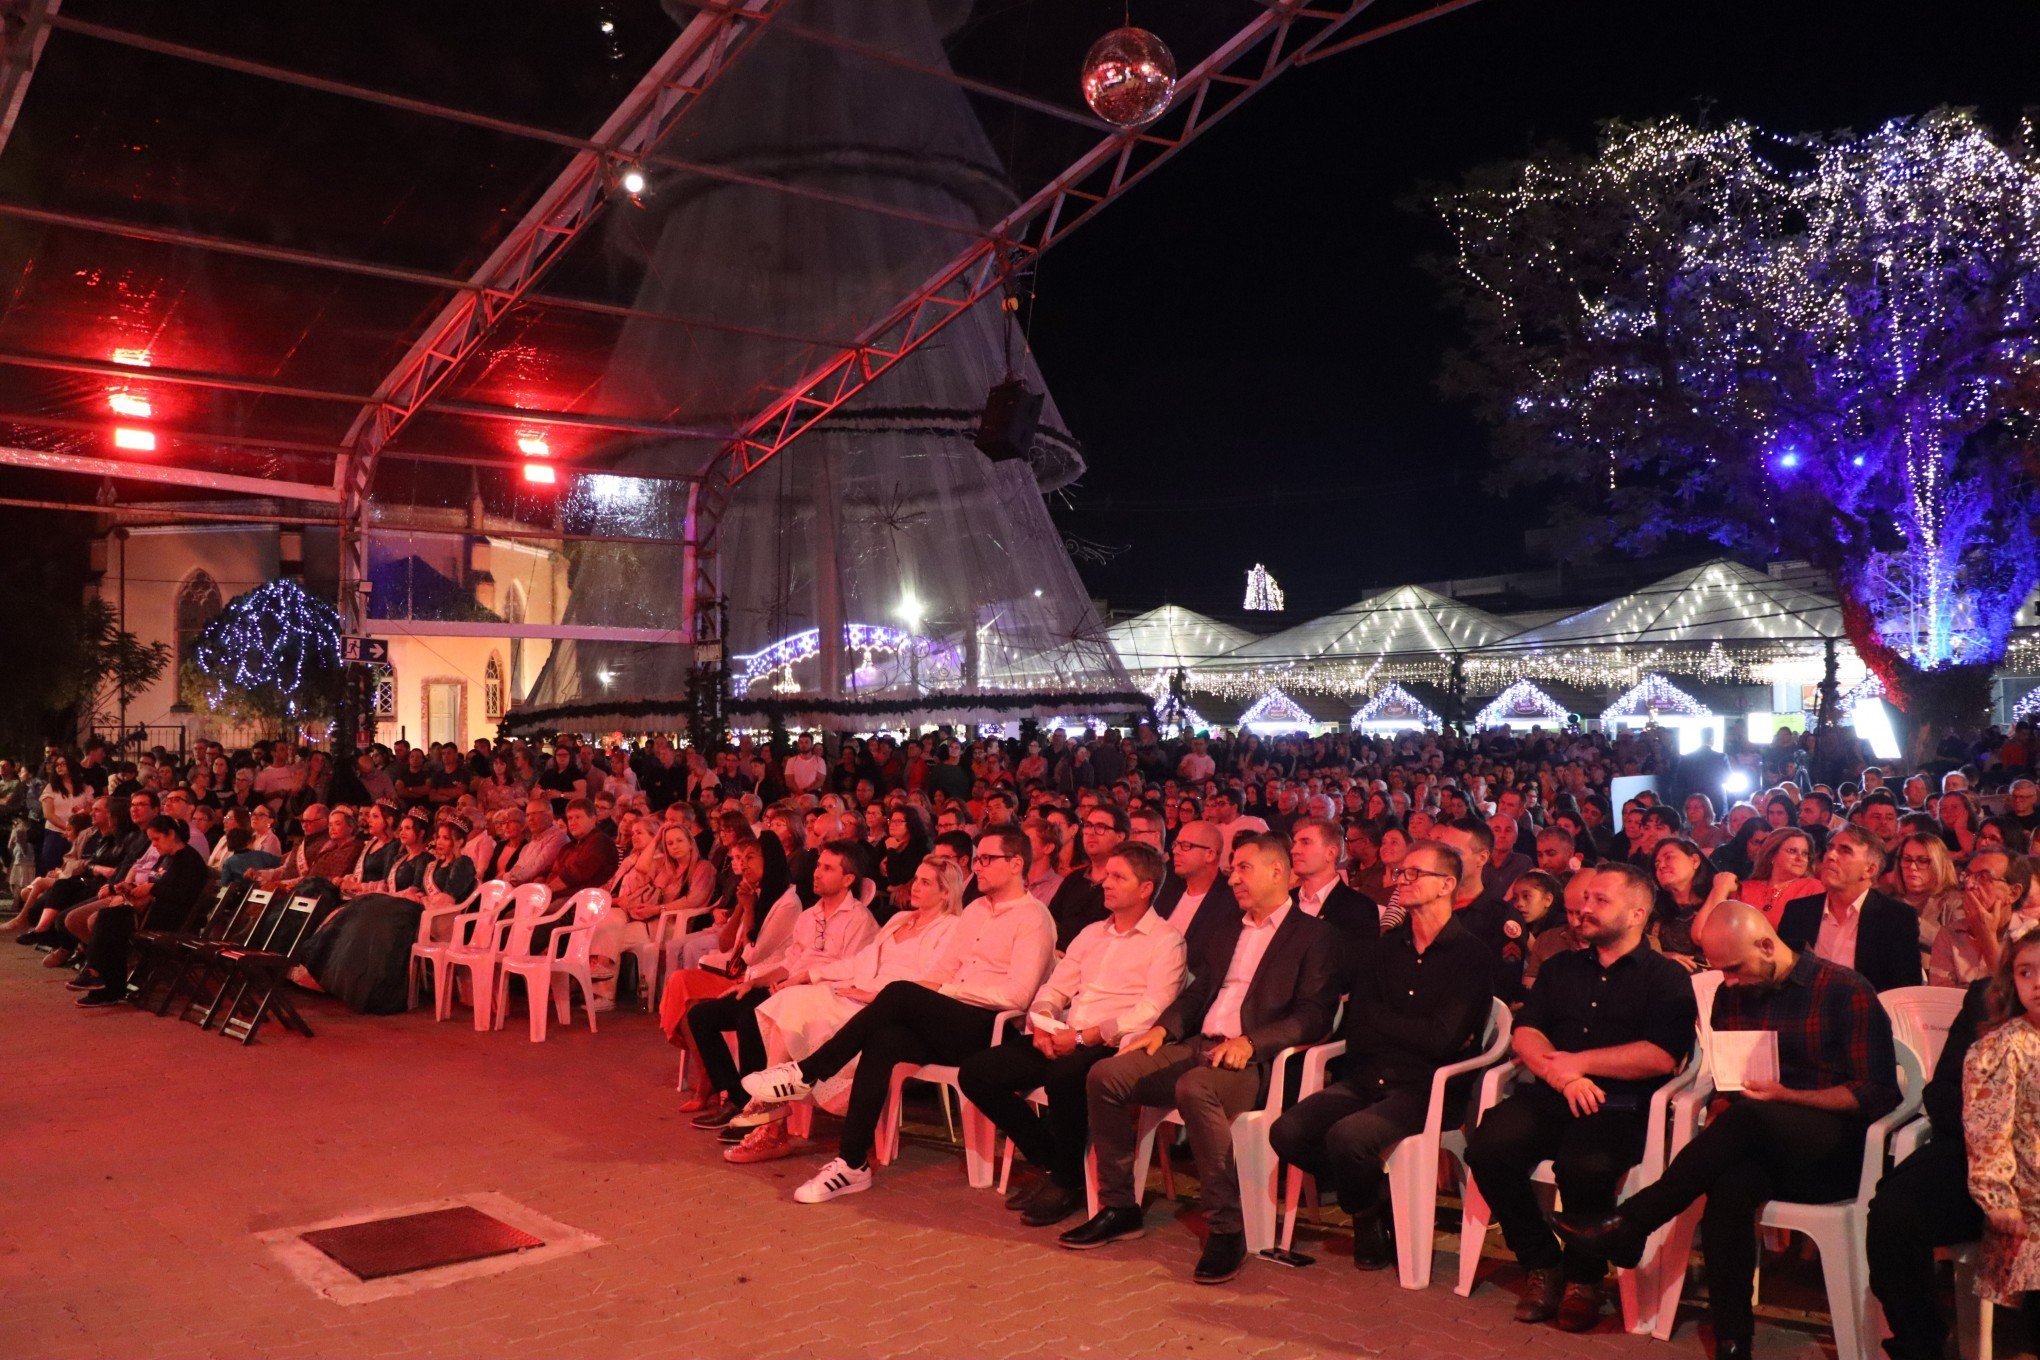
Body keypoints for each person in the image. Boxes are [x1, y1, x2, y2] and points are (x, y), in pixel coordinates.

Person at [1552, 902, 1902, 1360]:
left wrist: (1786, 1097)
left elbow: (1876, 1094)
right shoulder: (1730, 992)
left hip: (1832, 1148)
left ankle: (1634, 1221)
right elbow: (1729, 1080)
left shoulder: (1844, 989)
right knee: (1729, 1185)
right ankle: (1734, 1337)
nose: (1729, 982)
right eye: (1722, 972)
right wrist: (1721, 1104)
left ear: (1765, 944)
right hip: (1755, 1139)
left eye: (1734, 969)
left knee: (1748, 1118)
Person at [1064, 833, 1342, 1285]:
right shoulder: (1227, 927)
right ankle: (1119, 1206)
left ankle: (1226, 1227)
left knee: (1194, 1087)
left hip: (1253, 1060)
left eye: (1244, 868)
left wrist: (1252, 1042)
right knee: (1106, 1075)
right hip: (1200, 1043)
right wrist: (1163, 1028)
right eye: (1232, 868)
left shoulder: (1315, 936)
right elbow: (1198, 992)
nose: (1233, 877)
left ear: (1278, 871)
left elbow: (1314, 1015)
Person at [739, 827, 1056, 1204]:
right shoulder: (975, 911)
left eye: (987, 859)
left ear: (1016, 863)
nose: (978, 867)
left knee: (900, 992)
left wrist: (938, 993)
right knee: (884, 1039)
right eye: (979, 858)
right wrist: (932, 992)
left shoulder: (1033, 917)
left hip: (990, 1027)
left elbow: (1016, 994)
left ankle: (808, 1072)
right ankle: (852, 1164)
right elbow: (940, 971)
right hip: (950, 1018)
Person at [1462, 863, 1697, 1330]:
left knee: (1583, 1165)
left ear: (1635, 914)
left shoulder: (1664, 977)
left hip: (1621, 1104)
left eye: (1599, 901)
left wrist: (1581, 1064)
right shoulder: (1561, 966)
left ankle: (1584, 1278)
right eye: (1585, 900)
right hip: (1553, 1091)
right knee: (1488, 1148)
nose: (1584, 910)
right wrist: (1564, 1077)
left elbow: (1661, 1056)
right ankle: (1541, 1262)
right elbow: (1527, 1034)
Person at [1268, 838, 1497, 1273]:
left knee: (1349, 1137)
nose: (1400, 881)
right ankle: (1373, 1205)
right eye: (1400, 873)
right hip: (1367, 1075)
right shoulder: (1385, 948)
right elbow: (1358, 1026)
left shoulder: (1471, 955)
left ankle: (1366, 1219)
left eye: (1414, 874)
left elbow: (1442, 1041)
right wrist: (1398, 1028)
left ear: (1446, 884)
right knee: (1288, 1131)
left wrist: (1385, 1022)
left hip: (1426, 1087)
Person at [959, 843, 1187, 1227]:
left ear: (1146, 888)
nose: (1104, 883)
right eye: (1106, 874)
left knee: (1064, 1076)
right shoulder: (1092, 933)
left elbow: (1150, 1011)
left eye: (1118, 877)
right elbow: (1054, 988)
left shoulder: (1166, 941)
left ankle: (1066, 1181)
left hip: (1112, 1045)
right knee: (977, 1073)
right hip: (1065, 1034)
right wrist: (1045, 1023)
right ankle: (1055, 1162)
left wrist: (1084, 1037)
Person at [721, 857, 967, 1164]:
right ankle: (773, 1116)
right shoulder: (900, 919)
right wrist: (808, 975)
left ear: (946, 893)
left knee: (802, 1005)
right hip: (858, 992)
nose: (915, 886)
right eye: (915, 879)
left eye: (926, 882)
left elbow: (932, 981)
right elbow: (861, 961)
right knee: (789, 999)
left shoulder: (953, 928)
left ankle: (771, 1121)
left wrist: (873, 994)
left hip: (893, 1009)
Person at [686, 842, 879, 1132]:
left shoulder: (859, 920)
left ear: (848, 879)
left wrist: (794, 983)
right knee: (702, 1015)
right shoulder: (809, 916)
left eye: (828, 868)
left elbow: (850, 973)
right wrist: (752, 983)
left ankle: (756, 1108)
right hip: (787, 986)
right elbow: (789, 963)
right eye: (818, 866)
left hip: (816, 995)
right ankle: (736, 1096)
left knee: (750, 1018)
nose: (817, 873)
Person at [1865, 977, 1991, 1360]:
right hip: (1974, 1151)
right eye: (2026, 971)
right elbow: (1943, 1090)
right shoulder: (1989, 1001)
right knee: (1894, 1212)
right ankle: (1917, 1346)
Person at [1960, 926, 2040, 1309]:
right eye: (2026, 972)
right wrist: (1999, 1200)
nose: (2037, 983)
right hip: (2031, 1198)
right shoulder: (2003, 1047)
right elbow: (1988, 1130)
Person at [72, 816, 209, 1007]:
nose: (154, 845)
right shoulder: (166, 857)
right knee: (108, 919)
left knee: (108, 921)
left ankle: (100, 977)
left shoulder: (189, 860)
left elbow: (183, 895)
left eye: (157, 839)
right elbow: (154, 883)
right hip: (154, 909)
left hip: (174, 917)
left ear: (171, 834)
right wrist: (129, 888)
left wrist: (152, 889)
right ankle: (103, 980)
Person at [1775, 824, 1922, 991]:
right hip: (1805, 1013)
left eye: (1845, 850)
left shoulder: (1896, 918)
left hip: (1865, 1012)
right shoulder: (1798, 911)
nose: (1830, 855)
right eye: (1830, 847)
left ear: (1870, 869)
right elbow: (1781, 975)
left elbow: (1904, 991)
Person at [1931, 848, 2032, 988]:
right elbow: (1940, 999)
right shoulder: (1950, 934)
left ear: (2013, 893)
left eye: (1983, 878)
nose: (1969, 885)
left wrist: (1987, 937)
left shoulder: (2031, 936)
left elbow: (2015, 998)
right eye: (1968, 876)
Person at [1045, 805, 1124, 950]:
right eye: (1088, 826)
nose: (1091, 833)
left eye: (1101, 827)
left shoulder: (1124, 883)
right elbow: (1050, 920)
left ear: (1120, 836)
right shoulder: (1074, 879)